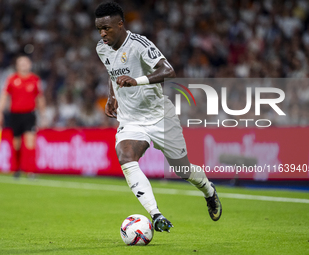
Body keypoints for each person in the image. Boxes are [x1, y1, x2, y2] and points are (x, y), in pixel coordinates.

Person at [95, 2, 222, 232]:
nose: (103, 34)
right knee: (125, 156)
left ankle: (208, 191)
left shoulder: (140, 45)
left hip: (159, 116)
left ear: (120, 24)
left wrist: (138, 80)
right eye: (99, 29)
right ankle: (155, 214)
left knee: (182, 170)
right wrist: (112, 96)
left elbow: (169, 71)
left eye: (106, 28)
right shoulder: (102, 47)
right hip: (130, 119)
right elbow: (112, 73)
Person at [0, 55, 46, 177]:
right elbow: (4, 96)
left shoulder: (35, 79)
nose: (24, 64)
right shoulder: (11, 79)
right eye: (21, 62)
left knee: (30, 142)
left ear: (30, 64)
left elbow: (40, 98)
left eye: (26, 62)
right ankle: (17, 168)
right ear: (17, 65)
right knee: (16, 143)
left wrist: (43, 114)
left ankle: (31, 171)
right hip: (15, 115)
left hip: (29, 114)